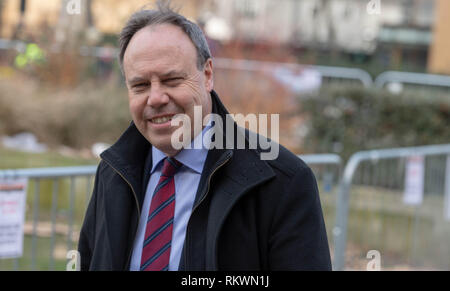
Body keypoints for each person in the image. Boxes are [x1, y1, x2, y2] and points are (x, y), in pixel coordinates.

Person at [78, 2, 331, 271]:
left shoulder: (282, 182)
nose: (156, 98)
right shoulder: (113, 173)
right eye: (140, 85)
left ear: (207, 75)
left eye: (172, 80)